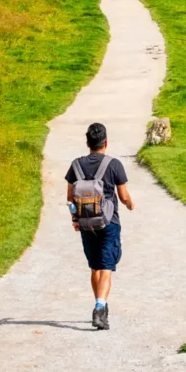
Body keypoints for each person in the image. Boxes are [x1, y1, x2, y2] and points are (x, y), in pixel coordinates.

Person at [65, 122, 134, 331]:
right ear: (106, 142)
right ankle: (99, 307)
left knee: (95, 266)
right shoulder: (114, 165)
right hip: (109, 222)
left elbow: (70, 198)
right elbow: (123, 196)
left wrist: (75, 220)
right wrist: (130, 204)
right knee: (106, 267)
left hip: (86, 223)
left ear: (87, 143)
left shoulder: (75, 165)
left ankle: (100, 306)